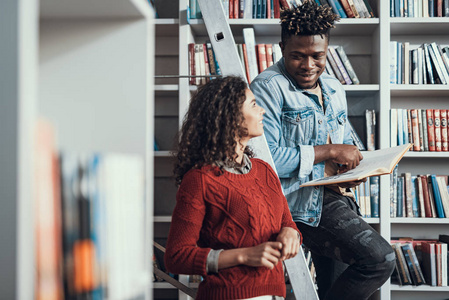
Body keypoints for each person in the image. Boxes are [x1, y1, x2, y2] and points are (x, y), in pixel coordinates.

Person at [250, 2, 396, 300]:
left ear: (328, 49)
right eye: (297, 56)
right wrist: (329, 152)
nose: (308, 65)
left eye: (317, 56)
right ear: (281, 48)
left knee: (334, 286)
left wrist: (347, 173)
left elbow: (334, 155)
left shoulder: (333, 87)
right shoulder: (268, 87)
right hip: (296, 204)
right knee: (380, 260)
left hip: (334, 196)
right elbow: (267, 161)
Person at [164, 76, 301, 300]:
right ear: (231, 117)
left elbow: (286, 221)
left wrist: (290, 233)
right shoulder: (200, 180)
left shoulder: (264, 170)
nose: (262, 111)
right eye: (254, 104)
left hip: (275, 294)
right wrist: (244, 256)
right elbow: (177, 256)